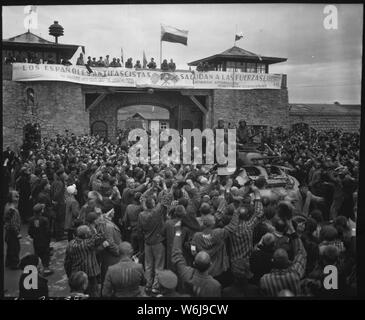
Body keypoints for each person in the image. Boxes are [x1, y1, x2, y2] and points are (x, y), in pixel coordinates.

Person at [172, 220, 222, 297]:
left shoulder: (185, 273)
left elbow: (176, 254)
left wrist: (178, 233)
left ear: (194, 263)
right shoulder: (215, 285)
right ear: (210, 264)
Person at [137, 182, 170, 295]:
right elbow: (166, 198)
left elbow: (142, 197)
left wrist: (151, 188)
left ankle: (148, 284)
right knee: (159, 266)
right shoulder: (156, 212)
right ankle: (156, 287)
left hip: (147, 243)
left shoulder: (141, 214)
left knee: (148, 265)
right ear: (154, 204)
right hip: (158, 243)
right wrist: (164, 186)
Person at [260, 219, 307, 296]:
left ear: (272, 261)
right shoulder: (295, 275)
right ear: (288, 261)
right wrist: (293, 232)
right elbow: (301, 252)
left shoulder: (265, 280)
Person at [64, 225, 107, 297]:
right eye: (89, 232)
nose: (91, 232)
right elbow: (102, 236)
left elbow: (67, 261)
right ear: (85, 235)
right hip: (90, 274)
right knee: (93, 293)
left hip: (76, 275)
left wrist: (69, 274)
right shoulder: (87, 244)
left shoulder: (70, 244)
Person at [28, 203, 53, 276]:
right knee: (45, 255)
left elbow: (30, 231)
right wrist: (48, 239)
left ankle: (37, 269)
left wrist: (34, 236)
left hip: (36, 240)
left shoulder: (31, 220)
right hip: (44, 240)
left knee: (37, 254)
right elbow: (48, 231)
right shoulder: (45, 219)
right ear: (41, 211)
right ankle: (46, 269)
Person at [4, 190, 22, 269]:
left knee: (10, 247)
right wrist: (17, 233)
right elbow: (12, 224)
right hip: (12, 233)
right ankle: (14, 264)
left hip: (8, 232)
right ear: (11, 198)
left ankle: (8, 262)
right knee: (15, 248)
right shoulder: (13, 210)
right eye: (16, 196)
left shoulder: (7, 205)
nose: (18, 198)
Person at [50, 168, 67, 241]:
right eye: (63, 174)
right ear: (60, 175)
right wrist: (55, 200)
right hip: (60, 203)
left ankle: (55, 233)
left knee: (56, 219)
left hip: (57, 203)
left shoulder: (55, 182)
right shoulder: (59, 183)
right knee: (60, 220)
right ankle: (59, 235)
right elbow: (57, 194)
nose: (65, 175)